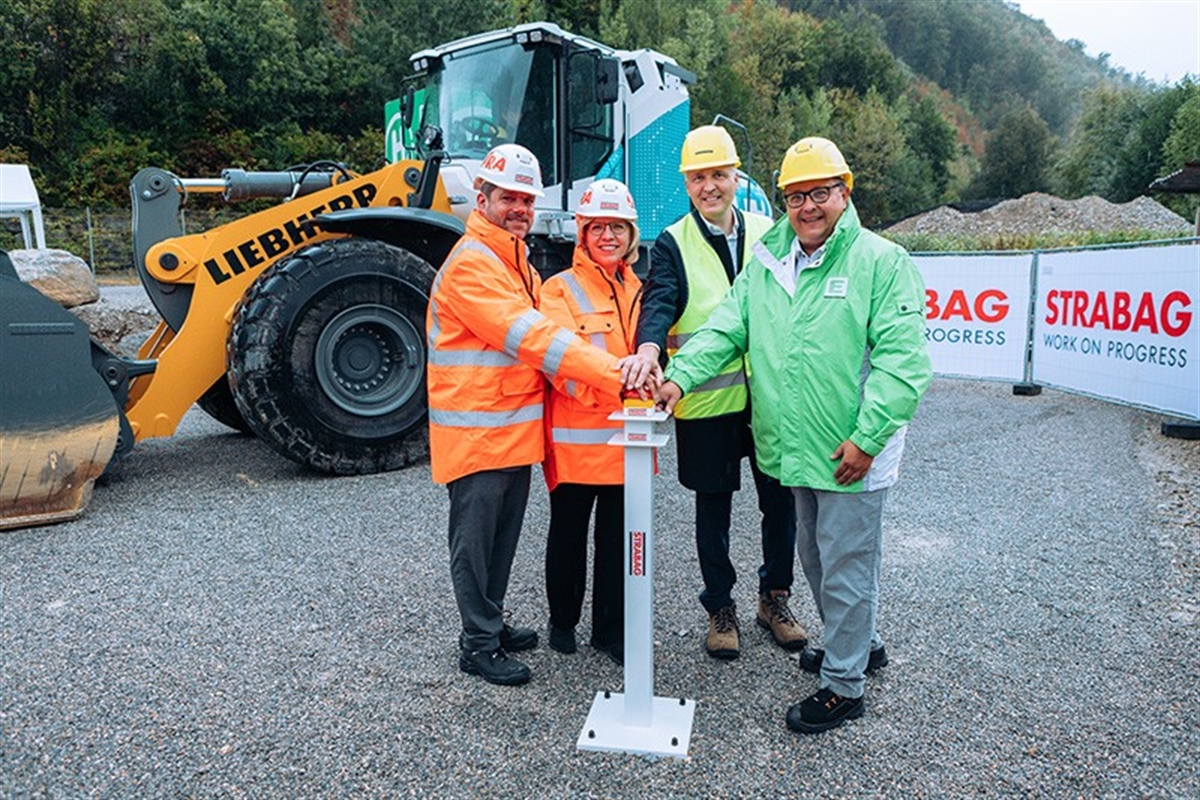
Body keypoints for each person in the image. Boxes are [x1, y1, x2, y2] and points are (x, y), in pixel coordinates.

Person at [656, 137, 932, 733]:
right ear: (783, 200)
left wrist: (868, 438)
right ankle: (861, 644)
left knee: (847, 566)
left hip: (850, 453)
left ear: (845, 191)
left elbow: (902, 364)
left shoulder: (880, 262)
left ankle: (844, 684)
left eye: (821, 193)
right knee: (814, 558)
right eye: (796, 195)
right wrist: (677, 378)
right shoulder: (770, 261)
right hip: (795, 448)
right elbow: (726, 328)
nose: (808, 206)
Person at [426, 144, 655, 687]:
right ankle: (478, 644)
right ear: (481, 199)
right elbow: (535, 339)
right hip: (477, 431)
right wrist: (615, 372)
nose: (519, 209)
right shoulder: (473, 266)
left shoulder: (516, 262)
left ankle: (493, 623)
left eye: (527, 200)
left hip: (510, 430)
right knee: (475, 543)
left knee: (500, 540)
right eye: (508, 198)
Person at [633, 125, 803, 661]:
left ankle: (774, 597)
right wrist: (649, 349)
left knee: (781, 502)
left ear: (736, 177)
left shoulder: (770, 231)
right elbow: (659, 303)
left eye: (719, 175)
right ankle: (720, 606)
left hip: (770, 395)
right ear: (687, 183)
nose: (710, 186)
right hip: (705, 399)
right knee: (715, 508)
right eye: (699, 177)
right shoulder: (671, 242)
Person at [540, 179, 650, 666]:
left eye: (617, 227)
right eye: (597, 227)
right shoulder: (557, 290)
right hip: (577, 442)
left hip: (628, 443)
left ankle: (611, 630)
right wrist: (624, 387)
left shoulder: (639, 290)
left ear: (631, 234)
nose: (608, 236)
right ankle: (562, 621)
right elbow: (560, 365)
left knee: (619, 545)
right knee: (567, 539)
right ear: (582, 234)